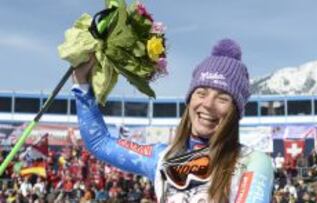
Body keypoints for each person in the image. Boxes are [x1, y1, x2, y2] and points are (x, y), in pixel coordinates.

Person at [72, 38, 274, 202]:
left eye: (222, 98)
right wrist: (81, 84)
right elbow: (100, 143)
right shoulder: (162, 157)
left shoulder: (252, 162)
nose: (208, 104)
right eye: (201, 93)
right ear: (189, 101)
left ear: (236, 111)